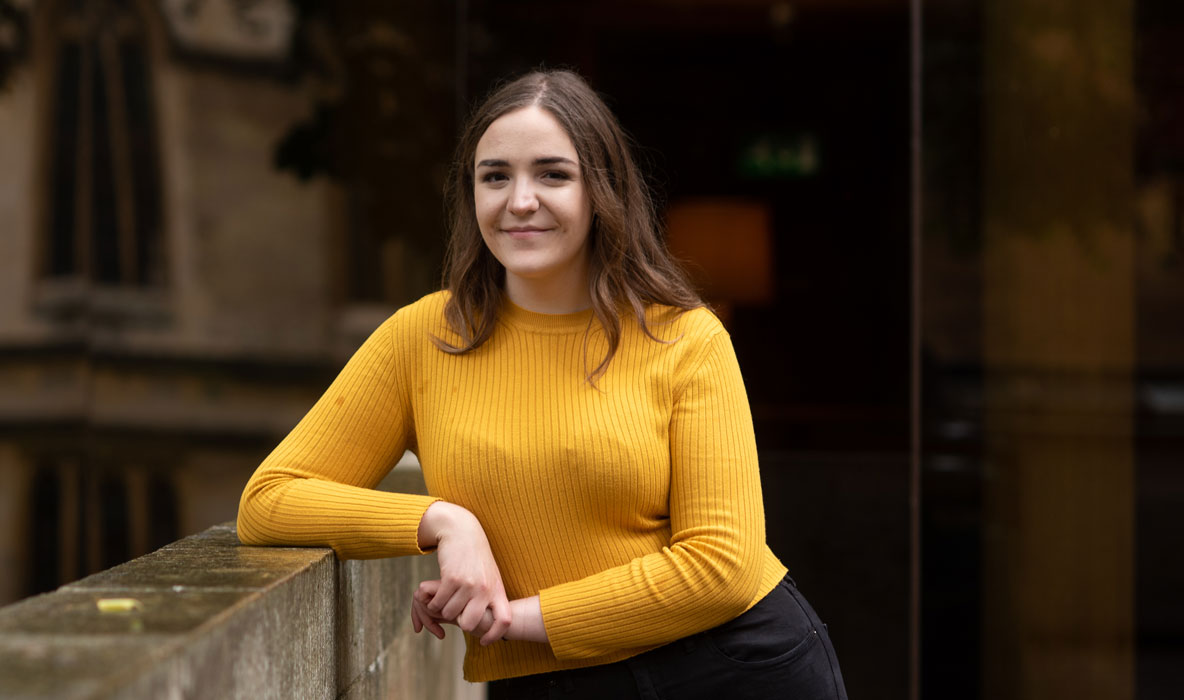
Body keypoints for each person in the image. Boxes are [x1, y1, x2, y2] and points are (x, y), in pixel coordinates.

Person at [237, 69, 848, 699]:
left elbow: (723, 565)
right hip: (545, 683)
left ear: (601, 191)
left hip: (727, 669)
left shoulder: (686, 340)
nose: (519, 200)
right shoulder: (421, 337)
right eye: (495, 176)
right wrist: (442, 521)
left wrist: (516, 618)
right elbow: (269, 500)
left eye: (553, 174)